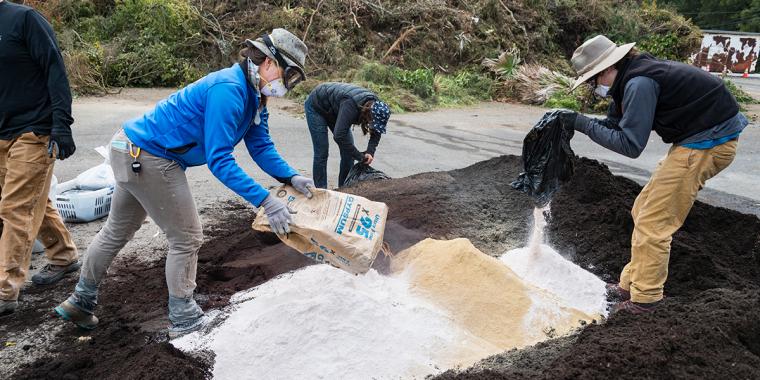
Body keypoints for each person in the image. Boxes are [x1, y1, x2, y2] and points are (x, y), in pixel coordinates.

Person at [54, 29, 314, 336]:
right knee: (187, 237)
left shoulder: (255, 96)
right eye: (290, 75)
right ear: (269, 62)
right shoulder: (229, 90)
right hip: (148, 156)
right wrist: (266, 201)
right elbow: (220, 160)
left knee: (117, 230)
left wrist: (290, 176)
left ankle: (81, 300)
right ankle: (184, 317)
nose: (287, 85)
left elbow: (261, 146)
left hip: (129, 146)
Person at [560, 35, 749, 314]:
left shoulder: (639, 83)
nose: (593, 87)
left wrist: (580, 123)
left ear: (607, 69)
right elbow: (615, 125)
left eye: (592, 80)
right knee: (642, 209)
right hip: (695, 139)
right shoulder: (630, 77)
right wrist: (577, 122)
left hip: (708, 144)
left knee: (653, 223)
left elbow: (630, 144)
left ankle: (646, 301)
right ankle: (630, 283)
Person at [0, 0, 80, 316]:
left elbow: (55, 70)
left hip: (34, 130)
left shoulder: (24, 20)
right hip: (2, 132)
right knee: (34, 198)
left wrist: (62, 126)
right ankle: (63, 256)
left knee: (14, 207)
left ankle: (5, 289)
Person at [304, 82, 391, 188]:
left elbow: (376, 132)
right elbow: (339, 136)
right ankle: (321, 190)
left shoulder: (377, 107)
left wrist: (370, 151)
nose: (372, 125)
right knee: (322, 152)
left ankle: (344, 188)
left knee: (348, 154)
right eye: (373, 122)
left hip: (334, 109)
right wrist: (359, 156)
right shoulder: (351, 105)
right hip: (316, 106)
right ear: (369, 113)